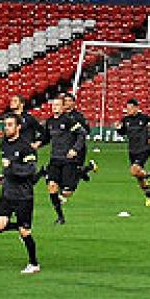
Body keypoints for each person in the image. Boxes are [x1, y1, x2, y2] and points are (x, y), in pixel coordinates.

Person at [0, 113, 41, 274]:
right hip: (7, 193)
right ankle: (21, 229)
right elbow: (9, 169)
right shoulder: (4, 145)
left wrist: (11, 168)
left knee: (25, 232)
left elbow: (30, 170)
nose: (6, 128)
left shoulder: (26, 148)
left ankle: (34, 263)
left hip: (23, 196)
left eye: (10, 125)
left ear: (18, 127)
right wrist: (4, 175)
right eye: (5, 124)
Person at [44, 95, 88, 224]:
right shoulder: (50, 122)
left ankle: (81, 172)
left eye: (57, 105)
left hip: (68, 160)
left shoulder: (69, 120)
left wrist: (75, 149)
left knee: (66, 192)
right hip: (54, 159)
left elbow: (82, 133)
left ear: (63, 107)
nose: (55, 107)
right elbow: (46, 138)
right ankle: (60, 216)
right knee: (52, 187)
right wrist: (36, 144)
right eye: (53, 105)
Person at [119, 99, 150, 206]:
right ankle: (149, 196)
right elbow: (122, 132)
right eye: (127, 108)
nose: (129, 110)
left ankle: (148, 176)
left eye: (131, 108)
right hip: (132, 150)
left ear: (136, 108)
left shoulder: (144, 118)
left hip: (143, 149)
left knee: (134, 170)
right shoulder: (125, 120)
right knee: (138, 176)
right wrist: (118, 129)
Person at [63, 92, 99, 182]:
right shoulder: (61, 116)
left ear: (73, 103)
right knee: (68, 169)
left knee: (74, 169)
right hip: (65, 146)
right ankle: (86, 170)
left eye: (69, 101)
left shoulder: (78, 117)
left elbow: (86, 130)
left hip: (78, 147)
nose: (67, 103)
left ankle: (85, 170)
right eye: (65, 101)